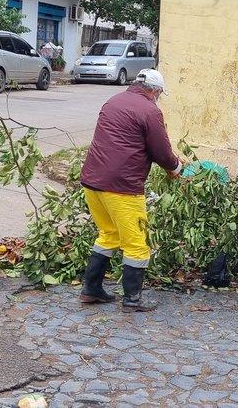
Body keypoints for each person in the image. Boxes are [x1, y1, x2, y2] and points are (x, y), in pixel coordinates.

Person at [78, 69, 182, 312]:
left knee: (109, 234)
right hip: (122, 187)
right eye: (159, 94)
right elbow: (162, 152)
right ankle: (132, 300)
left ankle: (91, 290)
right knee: (136, 243)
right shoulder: (150, 111)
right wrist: (176, 168)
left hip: (93, 181)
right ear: (155, 91)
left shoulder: (113, 101)